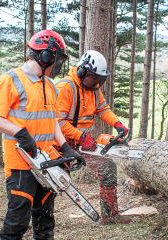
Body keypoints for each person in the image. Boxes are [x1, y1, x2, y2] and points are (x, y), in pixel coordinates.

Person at [0, 30, 86, 240]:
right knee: (17, 220)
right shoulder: (11, 80)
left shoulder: (49, 85)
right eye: (56, 59)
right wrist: (20, 133)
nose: (58, 65)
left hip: (46, 161)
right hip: (21, 164)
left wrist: (65, 147)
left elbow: (53, 120)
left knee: (45, 217)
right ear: (45, 56)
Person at [55, 50, 131, 224]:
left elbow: (103, 109)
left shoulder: (94, 89)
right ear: (83, 72)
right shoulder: (65, 88)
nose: (97, 83)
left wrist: (117, 124)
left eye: (100, 80)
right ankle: (39, 221)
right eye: (94, 78)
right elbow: (57, 123)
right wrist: (81, 137)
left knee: (107, 168)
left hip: (80, 143)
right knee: (50, 185)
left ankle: (110, 215)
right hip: (58, 144)